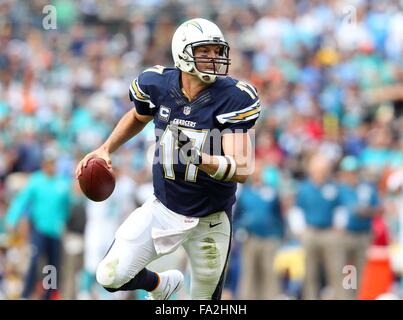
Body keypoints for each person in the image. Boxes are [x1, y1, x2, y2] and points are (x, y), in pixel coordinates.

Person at [75, 18, 260, 300]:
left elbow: (243, 168)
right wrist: (105, 148)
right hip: (163, 207)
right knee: (109, 276)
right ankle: (162, 285)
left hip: (210, 219)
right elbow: (138, 116)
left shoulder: (233, 98)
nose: (214, 58)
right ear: (183, 52)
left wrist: (200, 159)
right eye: (204, 51)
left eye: (217, 51)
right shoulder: (158, 84)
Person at [6, 146, 72, 299]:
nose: (51, 166)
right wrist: (12, 219)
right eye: (49, 162)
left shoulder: (62, 184)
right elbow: (22, 201)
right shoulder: (36, 181)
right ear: (44, 163)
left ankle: (49, 295)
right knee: (35, 261)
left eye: (53, 162)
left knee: (52, 265)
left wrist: (64, 223)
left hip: (55, 230)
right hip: (39, 228)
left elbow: (66, 207)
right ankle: (26, 294)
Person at [338, 155, 382, 299]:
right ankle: (347, 297)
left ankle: (356, 296)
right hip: (345, 235)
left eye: (354, 171)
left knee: (360, 270)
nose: (352, 175)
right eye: (348, 172)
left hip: (363, 234)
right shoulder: (339, 189)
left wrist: (365, 211)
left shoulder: (367, 188)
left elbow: (379, 209)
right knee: (347, 269)